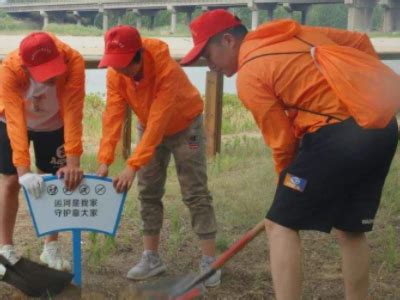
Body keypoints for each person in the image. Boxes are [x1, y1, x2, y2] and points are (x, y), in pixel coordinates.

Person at [181, 9, 398, 299]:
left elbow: (282, 141)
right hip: (380, 129)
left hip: (337, 137)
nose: (211, 67)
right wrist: (359, 90)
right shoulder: (288, 32)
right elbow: (358, 42)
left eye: (208, 56)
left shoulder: (250, 74)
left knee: (280, 224)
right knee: (350, 229)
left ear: (229, 40)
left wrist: (284, 183)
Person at [96, 25, 221, 287]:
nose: (119, 70)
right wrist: (104, 160)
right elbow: (113, 116)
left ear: (139, 55)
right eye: (114, 65)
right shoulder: (116, 74)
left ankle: (211, 262)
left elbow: (158, 120)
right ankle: (151, 258)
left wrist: (132, 165)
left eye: (124, 65)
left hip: (186, 127)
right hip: (149, 125)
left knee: (195, 192)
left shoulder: (166, 69)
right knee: (148, 191)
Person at [0, 32, 85, 271]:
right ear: (25, 67)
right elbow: (15, 122)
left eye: (54, 68)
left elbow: (73, 111)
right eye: (44, 72)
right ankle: (4, 248)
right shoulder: (9, 69)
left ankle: (51, 247)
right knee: (10, 181)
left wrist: (73, 162)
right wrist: (23, 170)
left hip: (54, 123)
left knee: (55, 181)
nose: (53, 76)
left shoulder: (73, 61)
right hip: (12, 122)